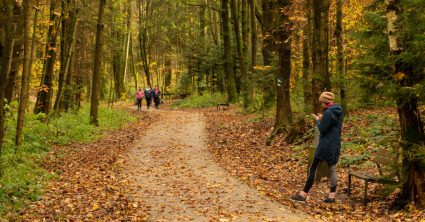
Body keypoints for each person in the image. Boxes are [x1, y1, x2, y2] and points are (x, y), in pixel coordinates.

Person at [291, 91, 343, 203]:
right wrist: (323, 119)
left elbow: (323, 129)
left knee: (313, 168)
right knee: (332, 169)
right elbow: (331, 124)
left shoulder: (329, 112)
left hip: (325, 145)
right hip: (335, 144)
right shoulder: (338, 110)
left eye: (321, 102)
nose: (320, 104)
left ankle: (303, 195)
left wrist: (318, 120)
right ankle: (332, 197)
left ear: (325, 102)